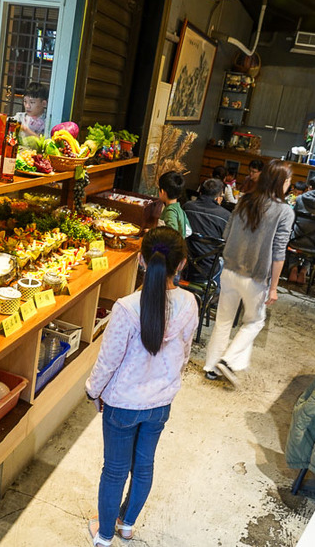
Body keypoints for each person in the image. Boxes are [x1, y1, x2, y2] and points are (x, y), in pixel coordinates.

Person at [85, 227, 198, 547]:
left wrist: (93, 390)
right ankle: (127, 526)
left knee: (115, 471)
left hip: (122, 404)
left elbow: (108, 361)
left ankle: (104, 536)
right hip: (160, 402)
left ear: (141, 260)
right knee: (144, 465)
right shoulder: (189, 303)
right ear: (181, 264)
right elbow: (186, 353)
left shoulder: (126, 307)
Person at [204, 160, 295, 382]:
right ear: (281, 182)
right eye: (289, 181)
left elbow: (226, 234)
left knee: (224, 320)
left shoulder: (244, 200)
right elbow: (278, 252)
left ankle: (211, 368)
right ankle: (228, 360)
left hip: (229, 270)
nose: (290, 185)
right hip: (255, 277)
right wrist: (274, 287)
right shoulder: (284, 211)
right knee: (255, 321)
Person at [183, 178, 230, 283]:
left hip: (185, 265)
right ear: (218, 198)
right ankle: (214, 294)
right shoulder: (225, 216)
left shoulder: (187, 207)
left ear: (200, 192)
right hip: (209, 270)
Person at [157, 171, 191, 238]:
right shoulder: (179, 209)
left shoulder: (170, 211)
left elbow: (172, 234)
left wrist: (154, 233)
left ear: (163, 191)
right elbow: (188, 231)